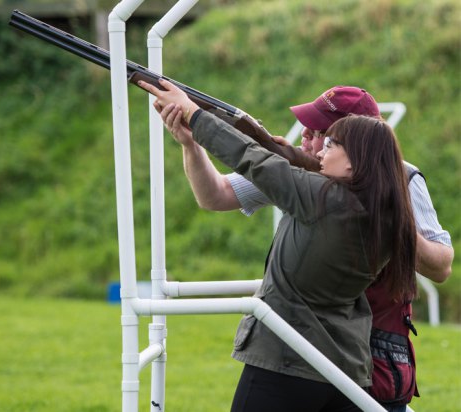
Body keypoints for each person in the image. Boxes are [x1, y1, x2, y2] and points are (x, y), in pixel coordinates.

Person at [152, 84, 454, 411]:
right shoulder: (360, 196)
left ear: (357, 154)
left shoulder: (330, 193)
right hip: (348, 363)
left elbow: (250, 157)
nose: (310, 142)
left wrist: (194, 115)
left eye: (326, 137)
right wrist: (190, 144)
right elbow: (216, 195)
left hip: (302, 355)